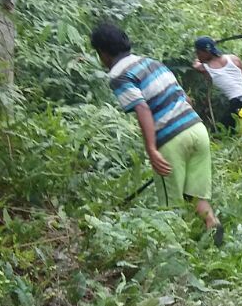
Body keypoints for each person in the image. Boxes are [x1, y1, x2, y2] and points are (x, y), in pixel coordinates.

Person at [90, 22, 223, 245]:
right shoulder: (151, 62)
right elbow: (186, 98)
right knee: (194, 194)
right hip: (197, 129)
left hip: (171, 140)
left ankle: (175, 254)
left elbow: (142, 108)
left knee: (170, 206)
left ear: (103, 52)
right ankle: (213, 225)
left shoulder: (118, 75)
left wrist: (151, 149)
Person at [191, 36, 242, 142]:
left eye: (198, 52)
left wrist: (202, 54)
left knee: (221, 134)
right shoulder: (233, 58)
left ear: (205, 52)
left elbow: (195, 63)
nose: (197, 55)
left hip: (237, 104)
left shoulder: (205, 69)